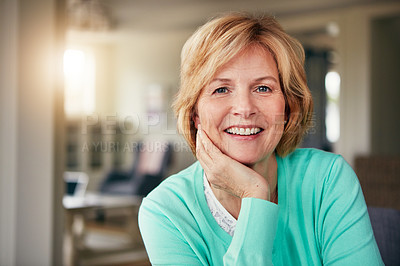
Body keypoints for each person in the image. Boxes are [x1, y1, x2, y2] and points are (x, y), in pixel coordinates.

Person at [138, 13, 383, 265]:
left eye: (263, 88)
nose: (244, 108)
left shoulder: (328, 178)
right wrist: (255, 195)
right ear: (195, 113)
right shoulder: (165, 210)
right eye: (221, 89)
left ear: (288, 107)